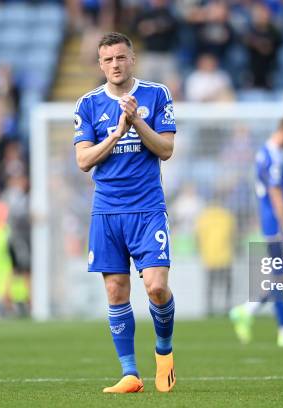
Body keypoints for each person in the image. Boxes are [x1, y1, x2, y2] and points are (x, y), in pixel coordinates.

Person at [73, 32, 177, 393]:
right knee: (117, 291)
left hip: (148, 208)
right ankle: (131, 374)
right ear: (100, 64)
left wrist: (137, 122)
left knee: (156, 287)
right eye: (108, 60)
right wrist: (117, 133)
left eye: (120, 57)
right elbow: (83, 160)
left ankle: (164, 352)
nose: (115, 64)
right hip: (107, 211)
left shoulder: (156, 94)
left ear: (132, 59)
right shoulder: (87, 104)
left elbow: (166, 149)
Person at [229, 115, 283, 347]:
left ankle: (249, 310)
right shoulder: (273, 156)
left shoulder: (265, 153)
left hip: (273, 224)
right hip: (277, 225)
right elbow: (276, 194)